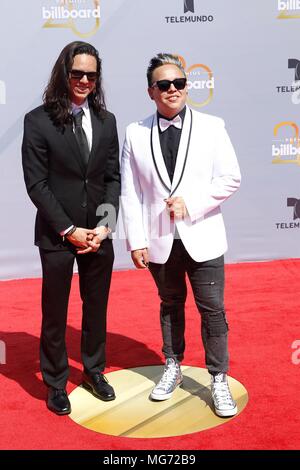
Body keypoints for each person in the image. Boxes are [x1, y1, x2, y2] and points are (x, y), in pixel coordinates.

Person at [121, 53, 241, 417]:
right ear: (151, 91)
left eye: (179, 83)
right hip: (159, 240)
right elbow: (131, 192)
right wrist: (136, 240)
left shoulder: (212, 126)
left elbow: (230, 178)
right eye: (164, 85)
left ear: (188, 87)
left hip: (202, 236)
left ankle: (218, 377)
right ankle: (172, 365)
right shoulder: (134, 132)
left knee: (213, 310)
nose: (173, 90)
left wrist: (193, 203)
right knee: (170, 306)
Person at [22, 41, 120, 415]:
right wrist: (68, 229)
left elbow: (113, 177)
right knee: (55, 311)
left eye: (90, 75)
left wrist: (105, 227)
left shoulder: (107, 121)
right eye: (76, 73)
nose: (83, 80)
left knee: (96, 309)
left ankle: (94, 370)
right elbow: (37, 185)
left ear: (97, 79)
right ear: (63, 73)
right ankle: (56, 382)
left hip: (99, 234)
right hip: (57, 234)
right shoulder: (38, 120)